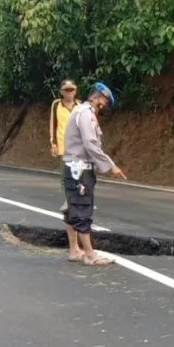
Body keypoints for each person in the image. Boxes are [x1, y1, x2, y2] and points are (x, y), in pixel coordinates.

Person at [62, 82, 127, 266]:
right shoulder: (85, 114)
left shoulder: (82, 112)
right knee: (82, 208)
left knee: (71, 207)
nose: (105, 106)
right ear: (96, 98)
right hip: (79, 169)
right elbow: (91, 144)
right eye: (105, 101)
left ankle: (75, 250)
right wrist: (111, 166)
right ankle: (89, 254)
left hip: (74, 167)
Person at [49, 79, 82, 212]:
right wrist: (53, 143)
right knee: (65, 176)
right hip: (63, 147)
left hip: (77, 147)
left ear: (76, 91)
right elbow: (53, 124)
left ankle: (78, 200)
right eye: (66, 90)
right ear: (61, 92)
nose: (69, 93)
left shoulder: (80, 105)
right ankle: (68, 200)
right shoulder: (56, 104)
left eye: (72, 89)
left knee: (79, 175)